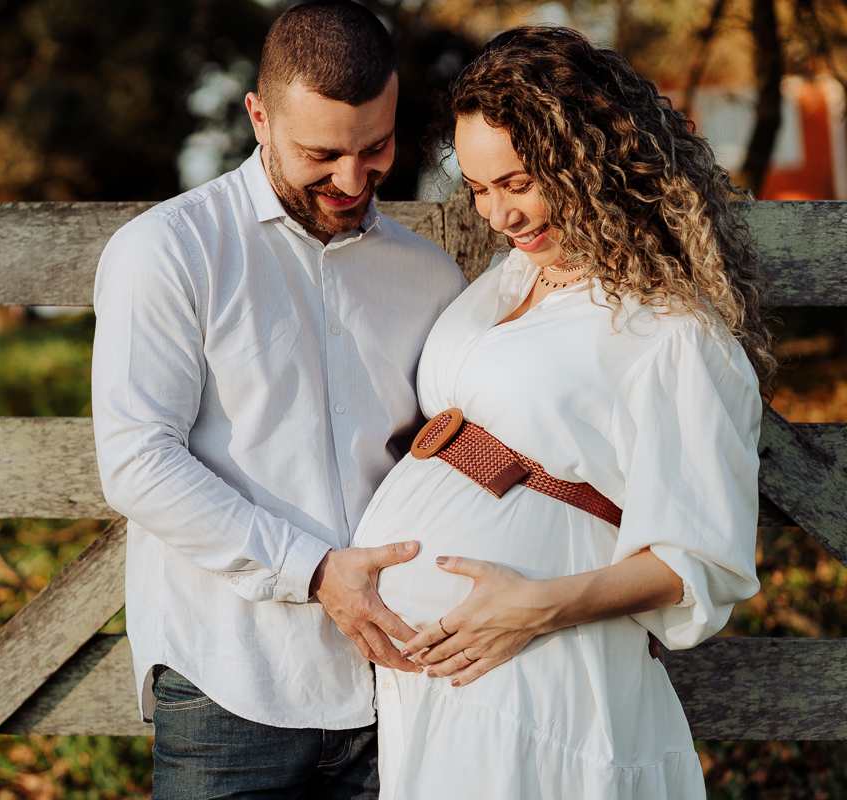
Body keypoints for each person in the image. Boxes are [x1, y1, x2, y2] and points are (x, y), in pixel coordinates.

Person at [352, 26, 773, 799]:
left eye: (517, 182)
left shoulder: (673, 334)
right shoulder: (505, 282)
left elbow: (700, 561)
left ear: (593, 160)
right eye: (478, 189)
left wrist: (533, 609)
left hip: (541, 672)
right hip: (442, 688)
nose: (498, 215)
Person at [91, 2, 468, 797]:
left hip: (398, 692)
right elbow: (135, 461)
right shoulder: (167, 253)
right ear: (259, 117)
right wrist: (316, 570)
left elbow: (458, 452)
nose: (352, 179)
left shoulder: (431, 278)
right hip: (230, 682)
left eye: (377, 148)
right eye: (321, 153)